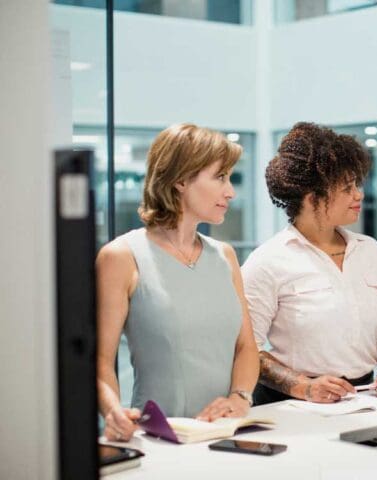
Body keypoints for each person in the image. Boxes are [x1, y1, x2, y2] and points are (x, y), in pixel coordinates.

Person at [96, 123, 260, 442]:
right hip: (159, 439)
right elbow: (100, 361)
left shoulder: (225, 256)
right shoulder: (120, 257)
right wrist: (112, 410)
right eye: (220, 177)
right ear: (181, 180)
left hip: (226, 436)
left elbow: (246, 347)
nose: (230, 191)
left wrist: (240, 399)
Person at [241, 122, 377, 405]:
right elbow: (247, 349)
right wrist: (304, 387)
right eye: (347, 188)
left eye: (357, 184)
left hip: (364, 398)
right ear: (311, 198)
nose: (359, 195)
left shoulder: (370, 251)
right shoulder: (268, 261)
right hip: (290, 404)